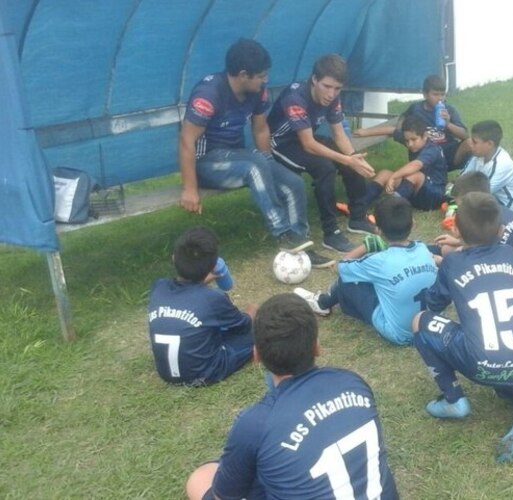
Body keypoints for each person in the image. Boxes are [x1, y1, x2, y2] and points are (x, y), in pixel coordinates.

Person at [185, 293, 399, 499]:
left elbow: (223, 496)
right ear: (316, 347)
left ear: (256, 355)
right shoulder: (353, 382)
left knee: (201, 478)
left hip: (274, 436)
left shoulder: (253, 424)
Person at [413, 192, 513, 463]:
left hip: (481, 363)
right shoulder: (510, 256)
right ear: (500, 230)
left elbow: (435, 303)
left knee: (420, 321)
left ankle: (453, 400)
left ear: (456, 229)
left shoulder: (452, 262)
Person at [178, 38, 331, 267]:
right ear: (242, 74)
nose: (265, 80)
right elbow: (186, 141)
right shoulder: (208, 95)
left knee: (293, 182)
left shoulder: (258, 92)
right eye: (261, 76)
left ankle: (300, 245)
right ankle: (283, 234)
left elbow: (260, 129)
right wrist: (190, 189)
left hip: (238, 156)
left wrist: (271, 165)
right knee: (253, 166)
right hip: (206, 162)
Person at [269, 54, 377, 254]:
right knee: (325, 168)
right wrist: (346, 159)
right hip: (282, 144)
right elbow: (309, 145)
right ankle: (331, 233)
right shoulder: (296, 97)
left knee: (352, 160)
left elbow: (338, 133)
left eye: (337, 88)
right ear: (314, 80)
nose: (331, 93)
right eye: (326, 86)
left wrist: (354, 158)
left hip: (307, 138)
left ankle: (358, 217)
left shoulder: (333, 98)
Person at [294, 196, 437, 346]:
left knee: (348, 280)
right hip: (426, 328)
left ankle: (322, 303)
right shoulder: (423, 249)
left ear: (378, 230)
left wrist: (366, 246)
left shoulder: (379, 262)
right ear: (413, 223)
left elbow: (340, 268)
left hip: (400, 335)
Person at [148, 227, 256, 386]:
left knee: (206, 324)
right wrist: (252, 310)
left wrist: (203, 280)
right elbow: (244, 325)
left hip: (166, 374)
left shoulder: (159, 287)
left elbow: (183, 290)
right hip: (204, 374)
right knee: (257, 330)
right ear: (213, 266)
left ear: (173, 259)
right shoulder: (212, 299)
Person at [354, 74, 470, 170]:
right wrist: (366, 131)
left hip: (448, 152)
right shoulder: (416, 109)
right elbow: (397, 126)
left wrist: (448, 124)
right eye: (435, 94)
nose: (440, 98)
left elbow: (465, 135)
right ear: (425, 94)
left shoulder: (449, 110)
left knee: (471, 143)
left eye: (442, 94)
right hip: (425, 154)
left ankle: (473, 177)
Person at [432, 171, 513, 264]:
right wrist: (458, 242)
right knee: (446, 249)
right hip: (510, 263)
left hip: (498, 269)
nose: (460, 210)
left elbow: (479, 254)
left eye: (461, 206)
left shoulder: (485, 221)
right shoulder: (499, 211)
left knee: (447, 252)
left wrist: (442, 261)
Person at [359, 115, 448, 212]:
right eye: (407, 140)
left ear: (425, 136)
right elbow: (391, 130)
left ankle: (389, 210)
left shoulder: (432, 149)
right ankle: (360, 204)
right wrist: (366, 132)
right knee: (384, 174)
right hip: (415, 191)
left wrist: (394, 176)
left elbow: (416, 165)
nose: (409, 144)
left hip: (434, 195)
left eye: (413, 139)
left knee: (414, 175)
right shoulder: (410, 137)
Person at [460, 120, 513, 212]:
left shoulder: (502, 164)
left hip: (509, 206)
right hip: (491, 198)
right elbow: (462, 178)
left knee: (473, 218)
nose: (471, 145)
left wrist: (460, 198)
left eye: (475, 142)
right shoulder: (478, 156)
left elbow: (481, 194)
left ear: (490, 144)